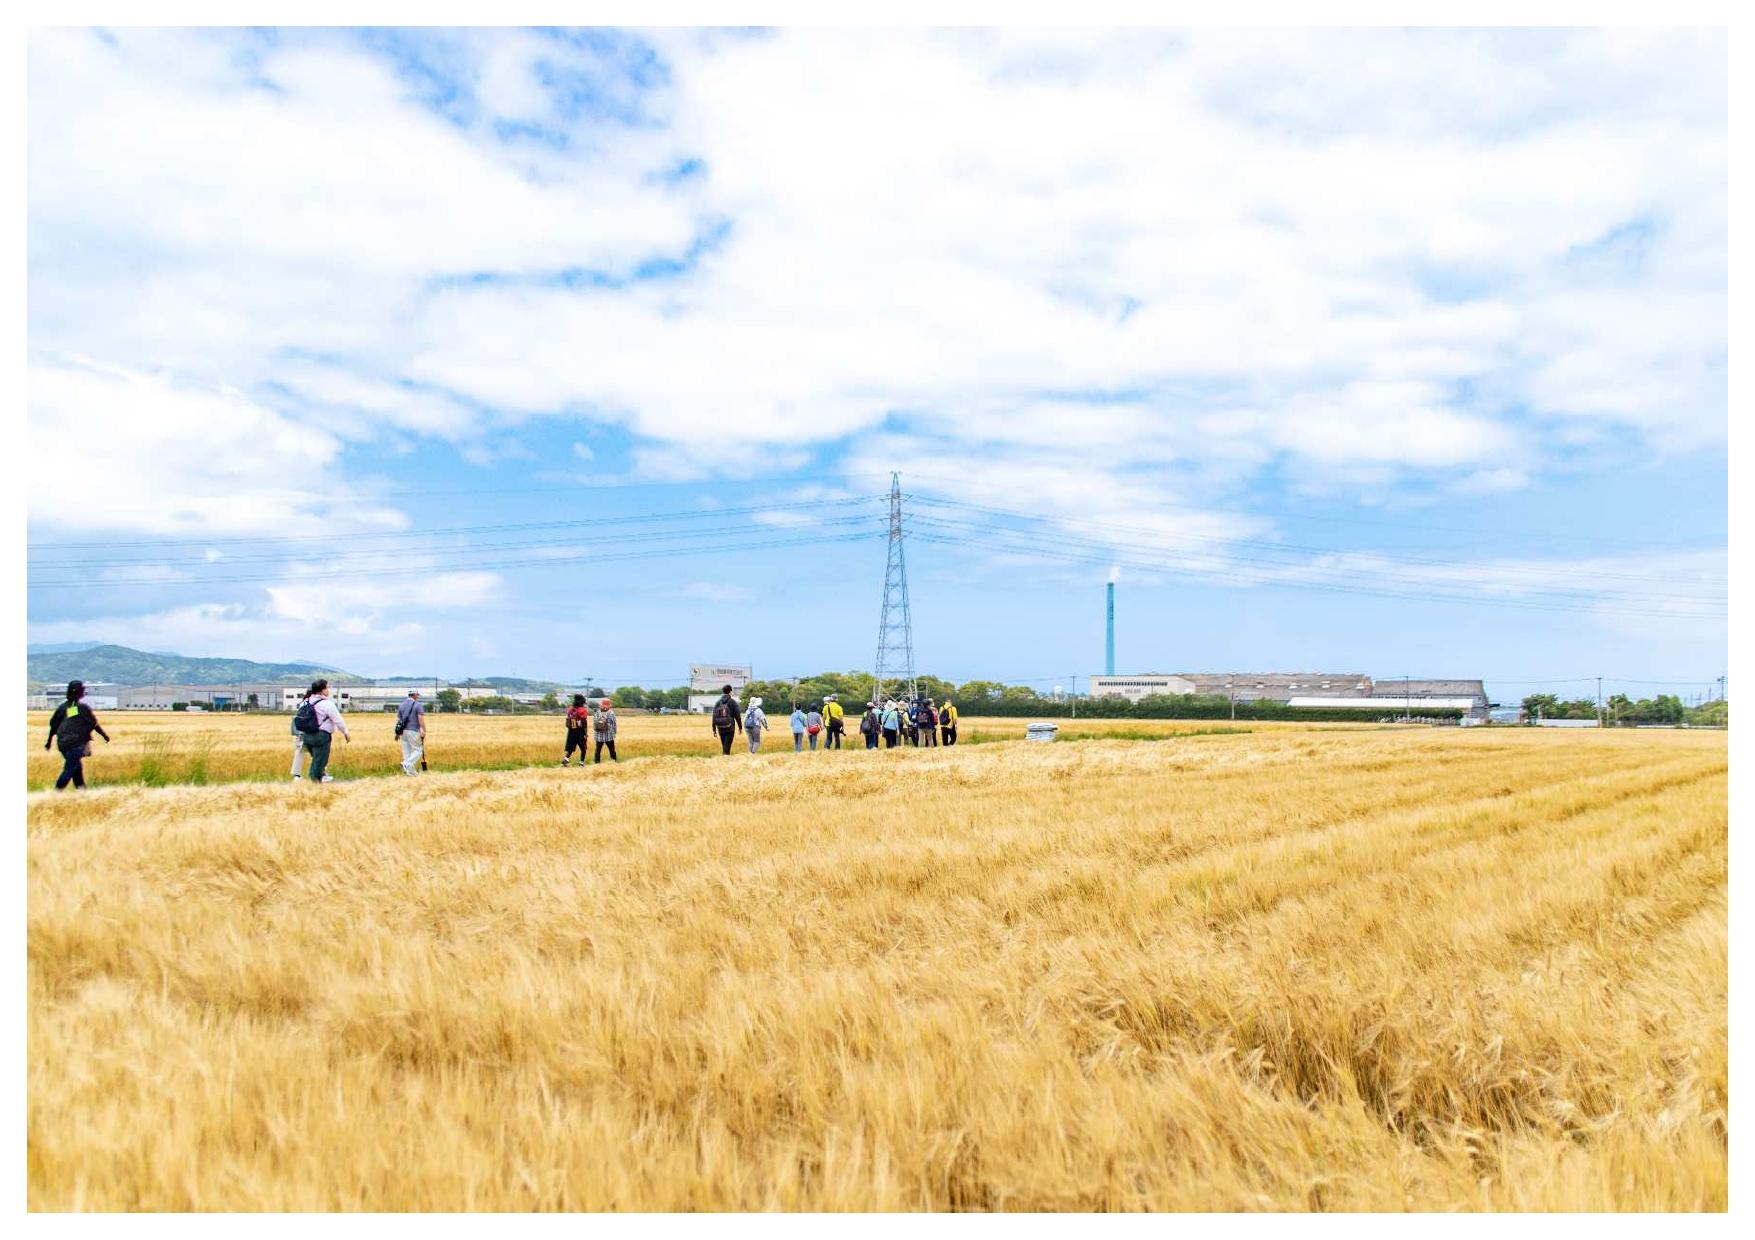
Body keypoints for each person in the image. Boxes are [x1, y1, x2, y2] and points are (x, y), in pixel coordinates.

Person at [45, 679, 110, 790]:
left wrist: (49, 742)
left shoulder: (63, 708)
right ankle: (55, 794)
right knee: (70, 769)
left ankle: (82, 792)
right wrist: (104, 735)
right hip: (76, 743)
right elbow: (94, 724)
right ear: (80, 692)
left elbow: (54, 725)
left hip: (62, 744)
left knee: (77, 768)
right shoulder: (81, 708)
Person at [304, 680, 349, 783]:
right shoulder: (326, 704)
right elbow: (338, 720)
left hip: (307, 736)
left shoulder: (305, 702)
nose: (328, 690)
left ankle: (313, 783)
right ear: (322, 690)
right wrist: (345, 732)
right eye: (327, 688)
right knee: (320, 761)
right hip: (321, 735)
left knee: (316, 760)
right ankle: (315, 783)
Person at [395, 689, 426, 775]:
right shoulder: (418, 705)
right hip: (413, 730)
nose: (418, 697)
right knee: (418, 750)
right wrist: (423, 730)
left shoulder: (402, 705)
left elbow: (399, 720)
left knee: (407, 752)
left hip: (403, 732)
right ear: (415, 695)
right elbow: (421, 719)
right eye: (418, 695)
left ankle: (411, 773)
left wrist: (397, 733)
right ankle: (406, 764)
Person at [710, 684, 741, 755]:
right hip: (730, 727)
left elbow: (714, 716)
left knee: (724, 746)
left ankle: (723, 761)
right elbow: (737, 716)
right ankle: (725, 760)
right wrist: (740, 727)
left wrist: (714, 729)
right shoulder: (732, 702)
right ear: (730, 692)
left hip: (720, 727)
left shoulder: (718, 702)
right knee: (727, 747)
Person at [562, 694, 591, 766]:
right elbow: (584, 722)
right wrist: (585, 732)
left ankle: (566, 759)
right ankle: (581, 762)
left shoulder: (571, 709)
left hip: (571, 731)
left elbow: (568, 718)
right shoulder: (582, 710)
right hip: (580, 731)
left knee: (571, 748)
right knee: (583, 748)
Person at [594, 698, 618, 763]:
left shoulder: (597, 712)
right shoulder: (611, 713)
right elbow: (614, 723)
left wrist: (595, 733)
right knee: (612, 750)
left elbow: (595, 723)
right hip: (609, 735)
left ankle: (597, 763)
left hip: (599, 735)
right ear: (608, 704)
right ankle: (614, 761)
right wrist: (614, 732)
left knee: (598, 750)